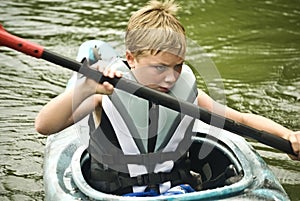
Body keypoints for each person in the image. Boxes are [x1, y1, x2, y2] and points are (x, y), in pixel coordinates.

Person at [35, 0, 300, 196]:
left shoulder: (185, 94)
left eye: (178, 66)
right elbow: (44, 126)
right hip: (114, 195)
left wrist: (288, 136)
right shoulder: (105, 92)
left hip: (178, 191)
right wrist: (85, 87)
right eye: (159, 68)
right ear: (131, 59)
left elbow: (240, 119)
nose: (171, 78)